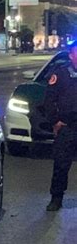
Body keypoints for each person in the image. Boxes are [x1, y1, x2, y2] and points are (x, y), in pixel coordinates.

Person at [43, 40, 77, 211]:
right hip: (68, 126)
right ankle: (56, 198)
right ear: (71, 55)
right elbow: (49, 100)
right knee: (61, 164)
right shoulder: (61, 73)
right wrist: (55, 121)